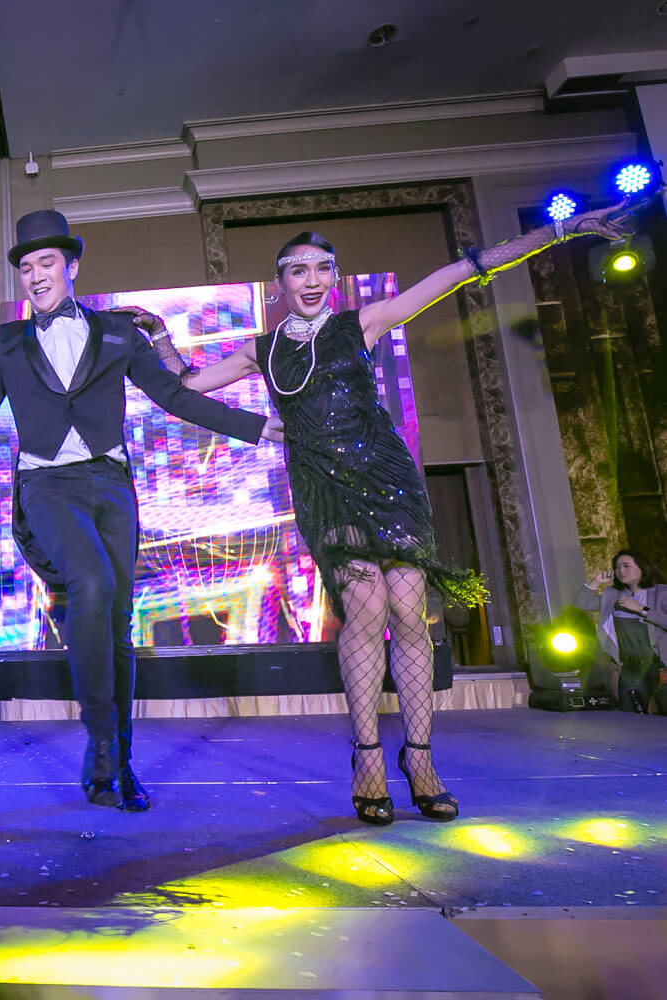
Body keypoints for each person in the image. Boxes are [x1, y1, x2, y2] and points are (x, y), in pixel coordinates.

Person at [169, 202, 632, 823]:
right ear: (280, 283)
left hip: (388, 481)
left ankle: (419, 757)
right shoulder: (262, 351)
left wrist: (561, 230)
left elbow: (462, 272)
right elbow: (187, 385)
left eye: (322, 268)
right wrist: (154, 337)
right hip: (325, 488)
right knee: (365, 609)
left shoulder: (362, 322)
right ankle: (366, 756)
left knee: (409, 611)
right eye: (298, 269)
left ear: (334, 277)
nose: (311, 279)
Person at [0, 210, 282, 810]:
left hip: (111, 486)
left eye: (47, 263)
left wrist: (255, 427)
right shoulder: (8, 344)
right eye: (27, 267)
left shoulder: (117, 333)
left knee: (117, 622)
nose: (36, 275)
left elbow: (174, 397)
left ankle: (121, 760)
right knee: (90, 581)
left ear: (72, 267)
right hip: (47, 486)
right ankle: (102, 745)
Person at [574, 550, 667, 714]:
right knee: (630, 715)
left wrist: (642, 609)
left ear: (643, 567)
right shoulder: (613, 595)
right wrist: (595, 582)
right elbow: (581, 604)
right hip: (631, 667)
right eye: (617, 567)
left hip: (661, 665)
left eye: (626, 566)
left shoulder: (661, 593)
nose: (621, 571)